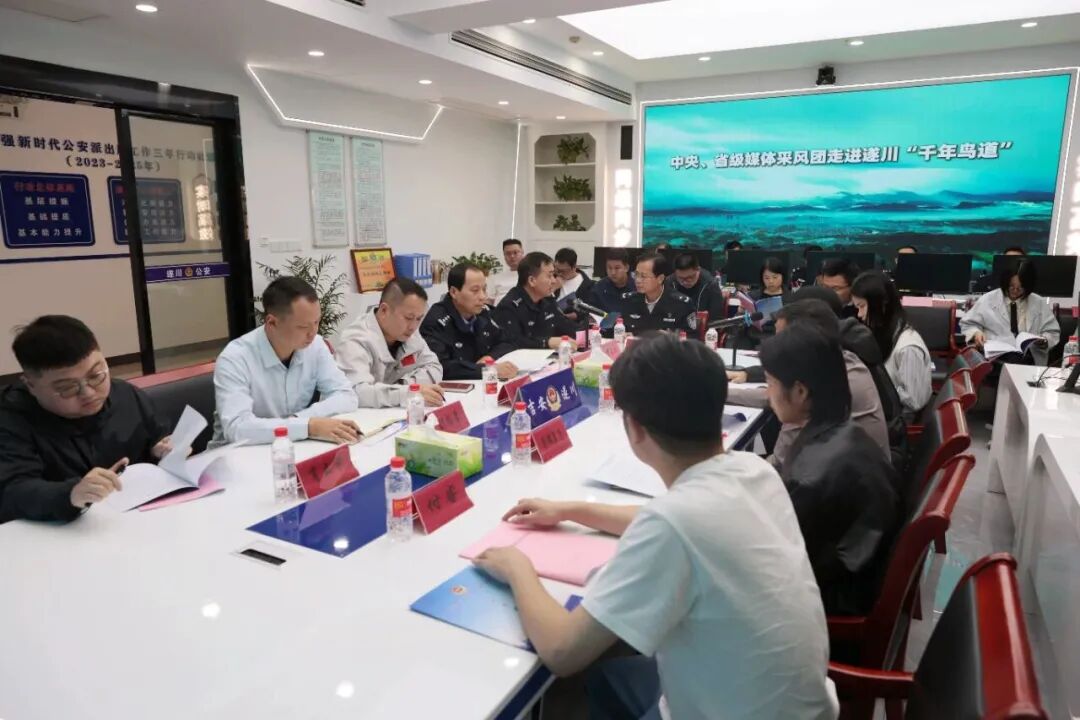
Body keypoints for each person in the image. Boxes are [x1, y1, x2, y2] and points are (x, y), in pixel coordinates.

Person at [473, 334, 838, 719]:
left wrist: (518, 568)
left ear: (634, 428)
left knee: (589, 675)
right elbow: (673, 519)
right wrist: (570, 510)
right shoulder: (754, 470)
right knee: (608, 678)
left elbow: (562, 652)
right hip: (796, 703)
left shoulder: (672, 524)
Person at [760, 323, 901, 617]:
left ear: (800, 391)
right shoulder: (845, 431)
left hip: (833, 598)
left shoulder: (810, 475)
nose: (768, 392)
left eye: (770, 382)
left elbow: (782, 566)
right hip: (854, 567)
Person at [0, 316, 171, 522]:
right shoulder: (10, 421)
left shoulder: (125, 394)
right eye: (67, 388)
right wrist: (70, 494)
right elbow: (12, 492)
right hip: (57, 531)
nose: (88, 393)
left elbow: (157, 436)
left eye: (96, 375)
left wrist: (161, 450)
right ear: (30, 385)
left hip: (135, 519)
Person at [727, 297, 890, 469]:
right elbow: (774, 396)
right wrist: (722, 391)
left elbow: (778, 466)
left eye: (782, 338)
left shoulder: (819, 393)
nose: (777, 345)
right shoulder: (841, 360)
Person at [212, 276, 360, 447]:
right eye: (303, 327)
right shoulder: (235, 358)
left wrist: (301, 420)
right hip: (235, 453)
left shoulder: (315, 345)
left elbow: (346, 395)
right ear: (272, 322)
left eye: (316, 322)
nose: (313, 333)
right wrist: (307, 426)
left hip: (290, 446)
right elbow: (237, 428)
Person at [336, 277, 444, 409]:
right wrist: (407, 393)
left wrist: (404, 385)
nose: (413, 326)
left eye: (418, 319)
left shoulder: (409, 333)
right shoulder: (356, 340)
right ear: (384, 311)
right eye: (408, 318)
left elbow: (435, 367)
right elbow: (357, 392)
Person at [852, 271, 933, 420]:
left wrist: (874, 389)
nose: (859, 314)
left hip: (899, 420)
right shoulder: (887, 333)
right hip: (886, 410)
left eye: (862, 306)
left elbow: (914, 400)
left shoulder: (907, 348)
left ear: (882, 305)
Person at [420, 263, 519, 380]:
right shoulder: (436, 322)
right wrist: (487, 370)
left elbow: (507, 341)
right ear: (454, 292)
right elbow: (441, 367)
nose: (483, 297)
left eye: (484, 289)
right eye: (475, 290)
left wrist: (490, 357)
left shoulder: (483, 312)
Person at [961, 260, 1059, 366]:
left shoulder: (1039, 303)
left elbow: (1052, 332)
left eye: (1020, 287)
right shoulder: (988, 299)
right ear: (1005, 282)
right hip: (995, 356)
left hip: (1028, 357)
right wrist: (976, 333)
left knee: (1020, 364)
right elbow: (968, 324)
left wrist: (1044, 341)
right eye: (1011, 286)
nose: (1015, 290)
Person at [495, 251, 581, 350]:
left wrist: (587, 331)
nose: (554, 281)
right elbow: (513, 342)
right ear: (532, 280)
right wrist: (547, 342)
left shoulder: (546, 300)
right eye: (549, 276)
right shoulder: (509, 307)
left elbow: (564, 325)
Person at [622, 252, 697, 335]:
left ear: (660, 279)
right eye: (636, 274)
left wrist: (672, 338)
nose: (638, 280)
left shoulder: (682, 304)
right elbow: (617, 330)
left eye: (643, 276)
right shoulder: (628, 300)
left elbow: (692, 337)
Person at [666, 253, 725, 323]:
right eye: (681, 278)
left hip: (703, 326)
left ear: (698, 270)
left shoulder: (711, 285)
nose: (685, 282)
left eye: (689, 277)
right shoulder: (669, 283)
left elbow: (716, 318)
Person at [590, 248, 636, 316]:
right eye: (609, 268)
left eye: (617, 268)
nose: (613, 272)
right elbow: (592, 315)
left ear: (626, 268)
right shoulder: (598, 288)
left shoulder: (638, 288)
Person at [553, 247, 595, 319]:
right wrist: (553, 288)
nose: (559, 273)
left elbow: (590, 310)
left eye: (562, 271)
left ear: (574, 267)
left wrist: (577, 315)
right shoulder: (552, 278)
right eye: (556, 269)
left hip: (573, 323)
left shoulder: (587, 285)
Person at [489, 238, 524, 306]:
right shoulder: (495, 277)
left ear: (522, 252)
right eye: (508, 253)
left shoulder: (531, 276)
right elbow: (489, 301)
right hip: (499, 310)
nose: (512, 256)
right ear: (504, 255)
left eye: (515, 252)